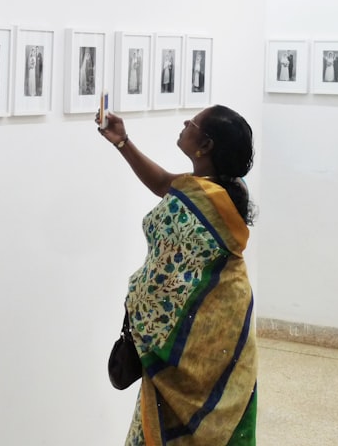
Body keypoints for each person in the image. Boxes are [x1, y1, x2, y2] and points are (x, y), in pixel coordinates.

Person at [98, 106, 257, 445]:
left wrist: (137, 301)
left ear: (205, 145)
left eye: (193, 123)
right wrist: (122, 142)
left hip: (199, 330)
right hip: (226, 320)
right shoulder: (223, 186)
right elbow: (163, 183)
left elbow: (165, 279)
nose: (186, 124)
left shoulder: (193, 200)